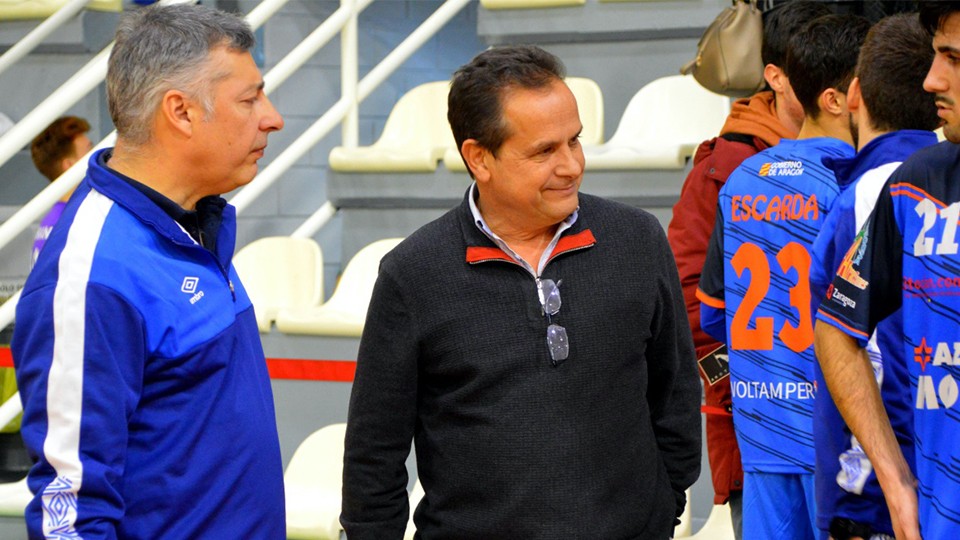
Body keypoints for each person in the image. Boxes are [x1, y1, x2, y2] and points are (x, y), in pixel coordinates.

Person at [340, 45, 701, 539]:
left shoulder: (637, 240)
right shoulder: (413, 273)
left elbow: (674, 392)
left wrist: (663, 506)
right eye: (544, 151)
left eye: (574, 141)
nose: (572, 165)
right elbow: (373, 453)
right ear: (478, 158)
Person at [11, 3, 285, 538]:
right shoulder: (94, 275)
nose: (271, 117)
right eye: (250, 99)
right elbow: (69, 516)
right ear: (180, 112)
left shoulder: (194, 225)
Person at [697, 13, 869, 539]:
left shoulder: (741, 176)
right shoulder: (857, 184)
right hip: (838, 437)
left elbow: (710, 312)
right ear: (848, 95)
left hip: (762, 430)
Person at [667, 3, 829, 537]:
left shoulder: (855, 160)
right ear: (776, 77)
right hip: (757, 441)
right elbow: (688, 303)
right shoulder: (724, 168)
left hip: (842, 439)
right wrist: (741, 385)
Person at [815, 3, 960, 539]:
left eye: (953, 59)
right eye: (934, 56)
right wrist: (895, 482)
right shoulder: (914, 183)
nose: (932, 80)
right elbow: (835, 326)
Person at [29, 115, 94, 264]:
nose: (98, 155)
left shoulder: (54, 219)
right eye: (90, 149)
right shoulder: (77, 221)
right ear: (69, 165)